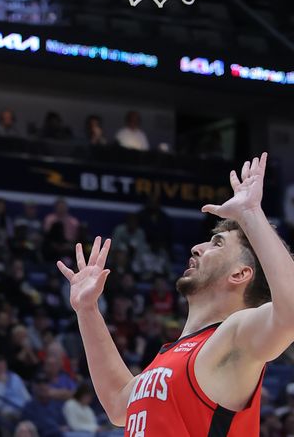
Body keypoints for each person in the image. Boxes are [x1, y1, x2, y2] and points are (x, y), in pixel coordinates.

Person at [57, 153, 292, 435]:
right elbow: (119, 404)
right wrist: (87, 310)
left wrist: (251, 213)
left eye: (217, 244)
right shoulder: (171, 354)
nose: (197, 247)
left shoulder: (235, 335)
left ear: (240, 274)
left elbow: (289, 314)